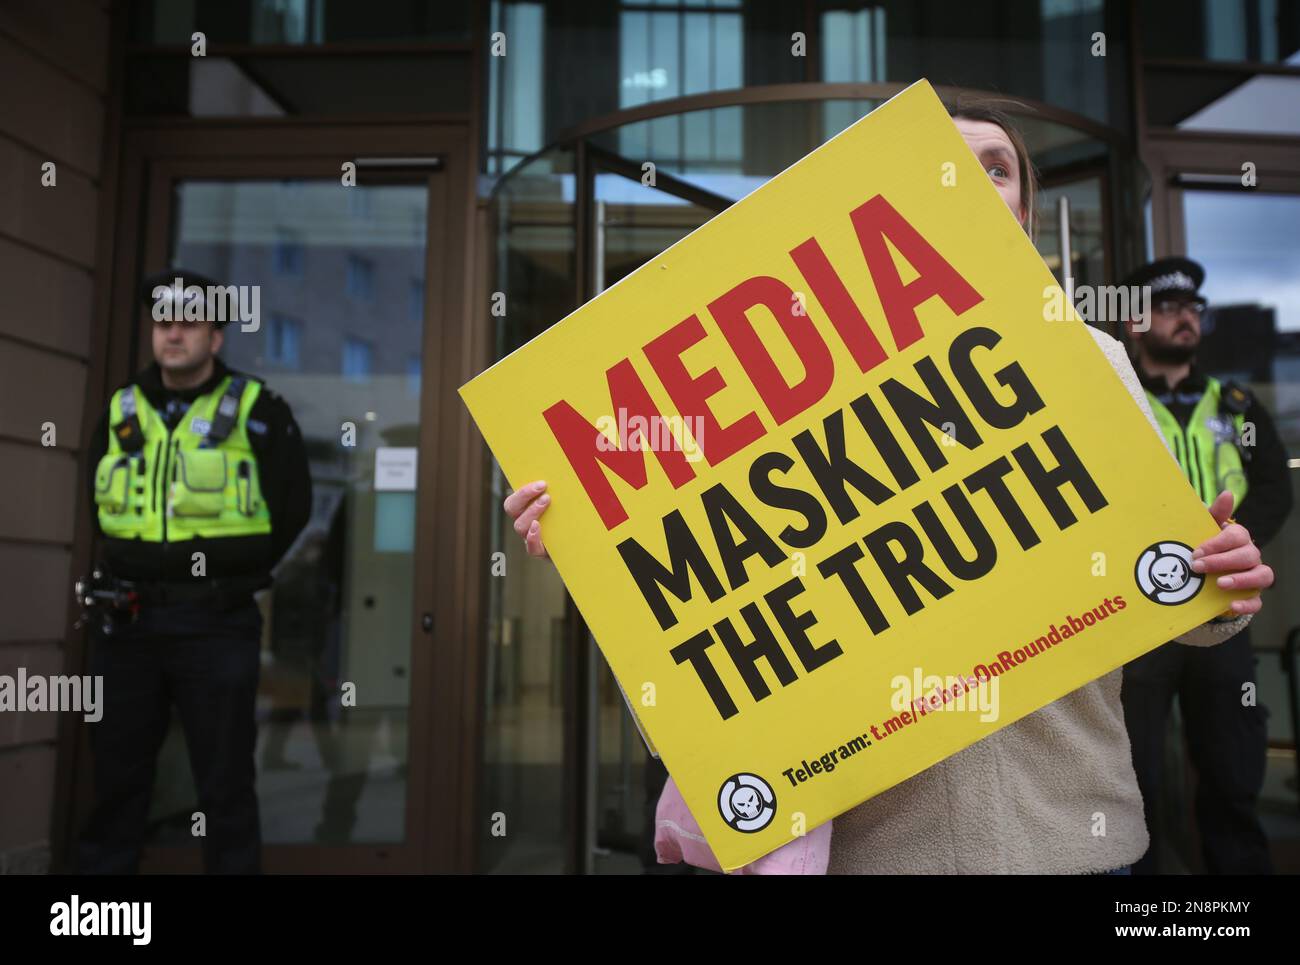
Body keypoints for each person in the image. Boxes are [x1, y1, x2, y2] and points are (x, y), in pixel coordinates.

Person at [498, 100, 1277, 875]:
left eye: (997, 167)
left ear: (1026, 213)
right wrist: (594, 552)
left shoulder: (1096, 359)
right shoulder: (760, 398)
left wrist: (1220, 580)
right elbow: (701, 677)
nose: (971, 178)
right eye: (946, 161)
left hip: (1077, 839)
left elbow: (1179, 602)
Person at [77, 269, 312, 874]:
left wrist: (229, 576)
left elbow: (292, 508)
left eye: (187, 322)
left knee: (225, 782)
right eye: (162, 322)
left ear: (216, 336)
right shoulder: (121, 407)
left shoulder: (260, 410)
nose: (172, 334)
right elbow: (98, 504)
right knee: (116, 777)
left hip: (216, 620)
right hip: (126, 622)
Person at [1120, 257, 1292, 874]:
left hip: (1222, 608)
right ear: (1137, 322)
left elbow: (1273, 486)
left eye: (1193, 308)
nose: (1185, 319)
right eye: (1168, 308)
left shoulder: (1235, 401)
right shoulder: (1115, 398)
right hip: (1139, 610)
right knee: (1132, 774)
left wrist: (1244, 543)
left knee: (1232, 765)